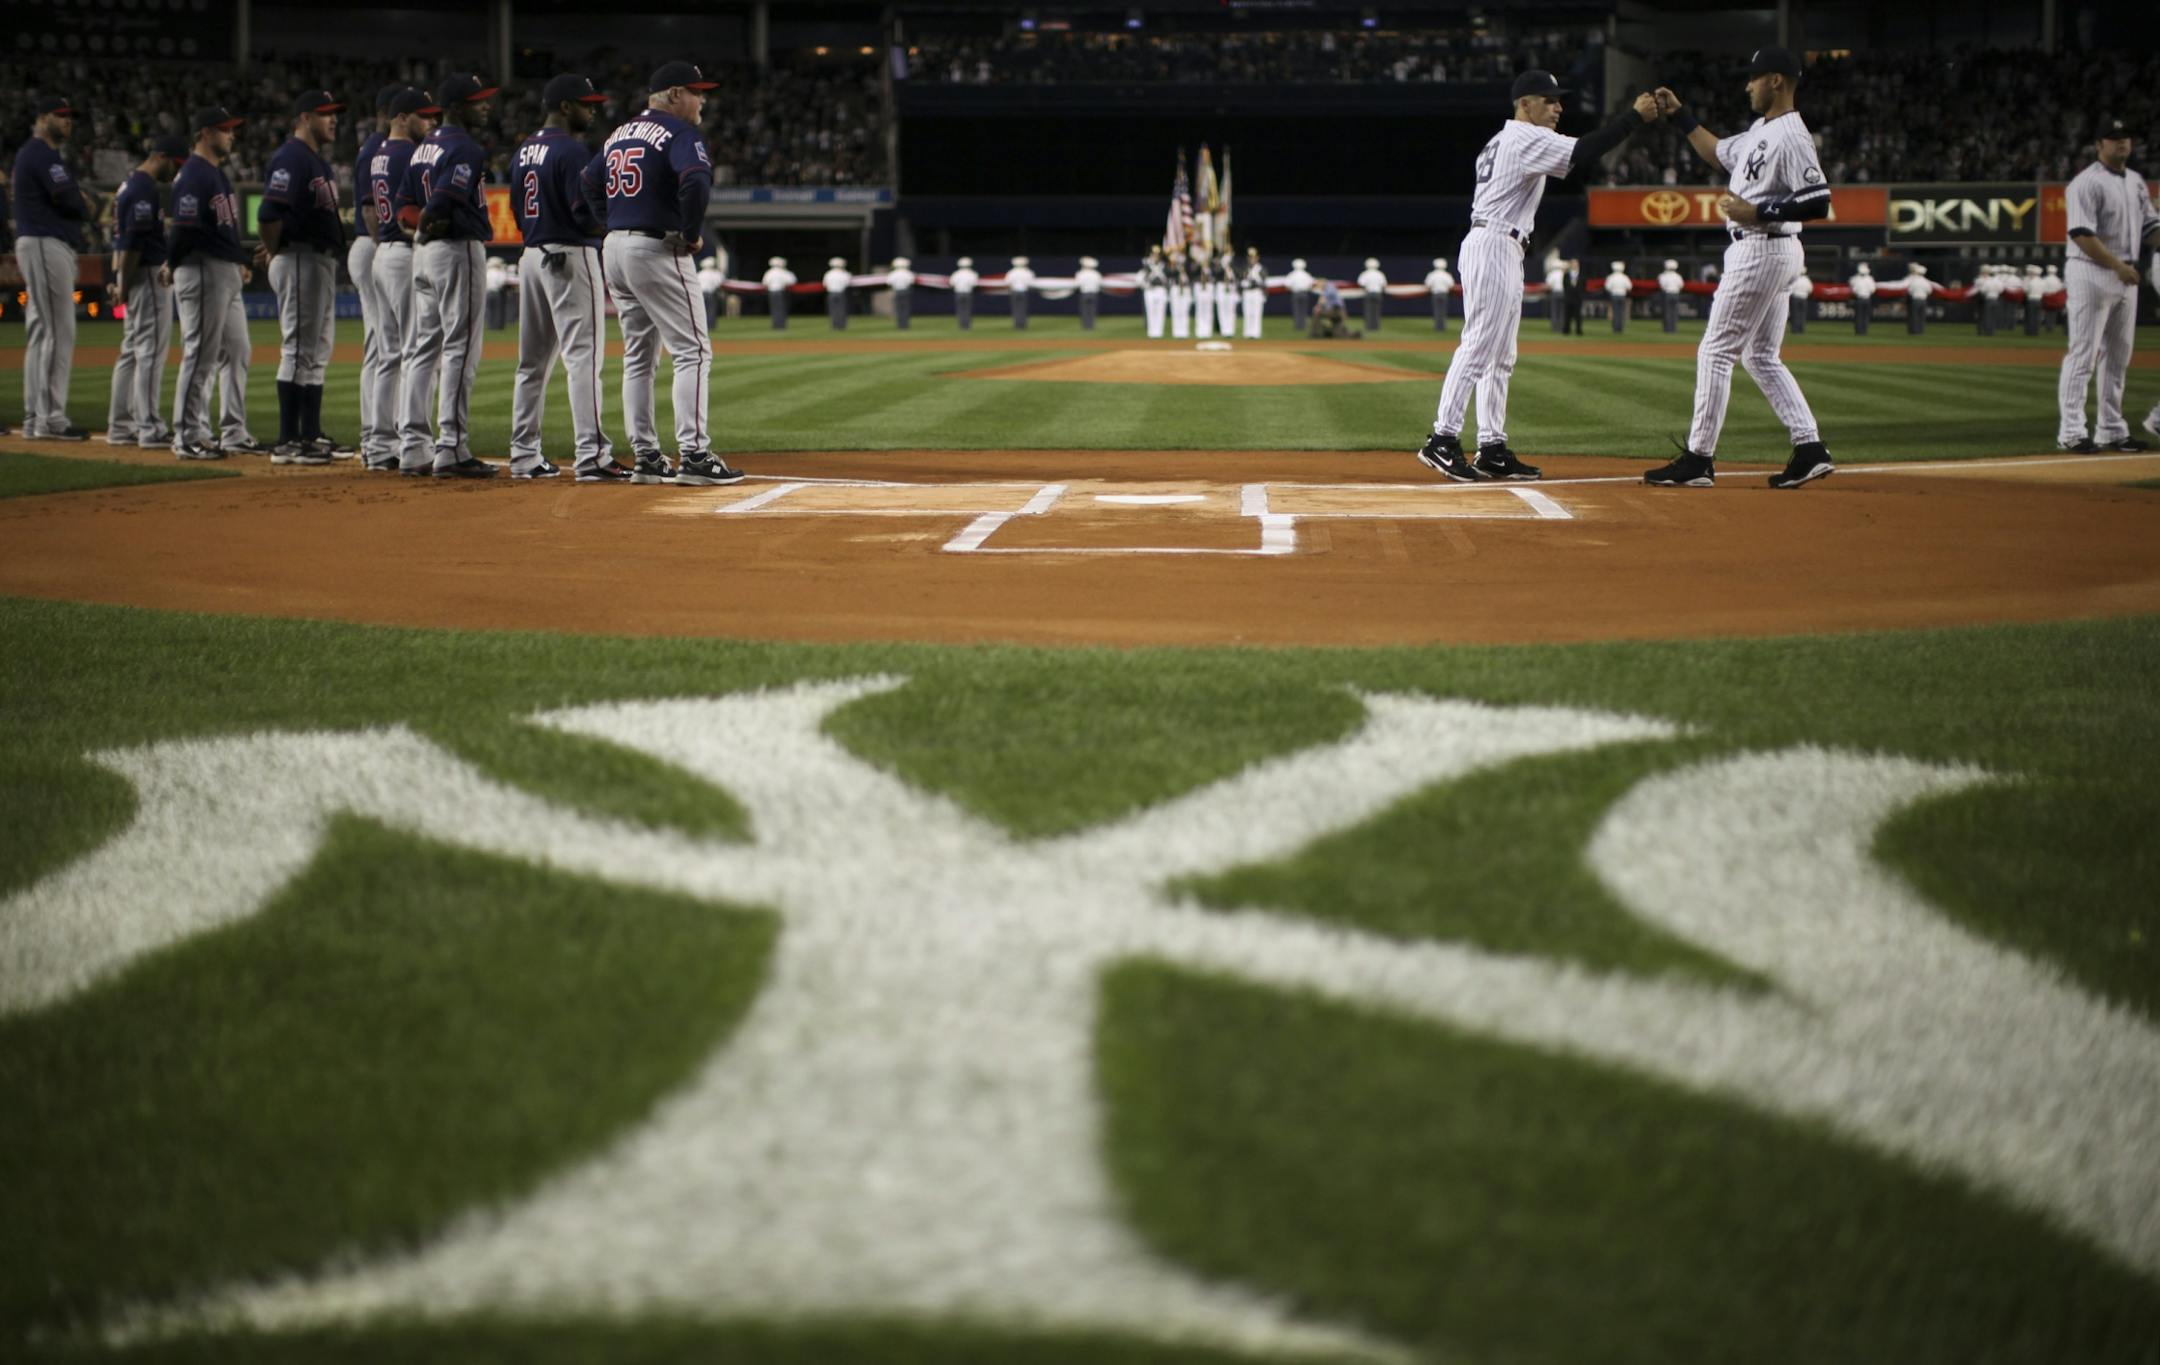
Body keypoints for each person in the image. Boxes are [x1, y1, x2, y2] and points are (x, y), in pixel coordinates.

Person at [1416, 71, 1658, 483]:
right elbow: (1584, 151)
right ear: (1525, 104)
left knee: (1501, 355)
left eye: (1559, 100)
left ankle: (1491, 447)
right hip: (1494, 242)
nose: (1559, 107)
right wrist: (1632, 117)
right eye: (1549, 100)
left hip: (1503, 244)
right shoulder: (1523, 137)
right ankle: (1442, 438)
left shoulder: (1502, 139)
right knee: (1479, 345)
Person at [1641, 52, 1835, 491]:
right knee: (1761, 356)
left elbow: (1818, 200)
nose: (1748, 85)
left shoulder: (1792, 133)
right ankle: (1809, 448)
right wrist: (1681, 115)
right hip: (1772, 250)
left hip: (1761, 247)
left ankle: (1698, 458)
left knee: (1716, 352)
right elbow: (1717, 153)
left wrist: (1758, 211)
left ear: (1776, 81)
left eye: (1754, 78)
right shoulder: (1761, 130)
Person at [581, 61, 742, 486]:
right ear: (674, 94)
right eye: (696, 91)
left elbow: (589, 181)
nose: (702, 99)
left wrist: (610, 221)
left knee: (638, 356)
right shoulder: (679, 132)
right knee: (693, 351)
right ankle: (695, 455)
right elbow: (696, 180)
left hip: (616, 247)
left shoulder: (619, 132)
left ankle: (647, 456)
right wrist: (690, 233)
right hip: (657, 246)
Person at [509, 72, 620, 482]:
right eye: (586, 105)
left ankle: (524, 455)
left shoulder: (523, 150)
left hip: (531, 255)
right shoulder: (572, 151)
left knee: (531, 363)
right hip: (570, 255)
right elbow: (584, 213)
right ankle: (593, 455)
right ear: (565, 106)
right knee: (583, 359)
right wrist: (610, 226)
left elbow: (517, 211)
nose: (593, 111)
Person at [397, 71, 498, 479]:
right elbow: (443, 200)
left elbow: (403, 204)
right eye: (478, 101)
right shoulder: (465, 147)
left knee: (424, 349)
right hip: (457, 250)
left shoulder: (423, 147)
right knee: (461, 348)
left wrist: (418, 227)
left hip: (423, 256)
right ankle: (452, 448)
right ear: (457, 107)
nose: (486, 106)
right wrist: (427, 223)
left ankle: (412, 448)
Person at [2057, 117, 2159, 453]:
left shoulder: (2136, 181)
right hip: (2091, 271)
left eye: (2125, 136)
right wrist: (2117, 266)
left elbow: (2151, 228)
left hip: (2125, 274)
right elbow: (2081, 234)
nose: (2122, 142)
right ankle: (2072, 432)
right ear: (2099, 145)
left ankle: (2111, 430)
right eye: (2113, 137)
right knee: (2083, 354)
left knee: (2118, 357)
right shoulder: (2086, 183)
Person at [259, 89, 350, 463]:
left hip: (317, 260)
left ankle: (310, 434)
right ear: (304, 117)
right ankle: (287, 440)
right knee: (298, 349)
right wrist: (275, 249)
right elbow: (268, 212)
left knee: (316, 350)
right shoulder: (292, 157)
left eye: (335, 113)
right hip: (299, 256)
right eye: (325, 113)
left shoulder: (315, 160)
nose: (333, 119)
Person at [166, 105, 252, 461]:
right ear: (204, 133)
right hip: (202, 269)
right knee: (200, 353)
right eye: (224, 129)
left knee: (237, 350)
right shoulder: (193, 174)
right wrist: (172, 263)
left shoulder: (214, 173)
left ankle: (233, 432)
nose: (231, 135)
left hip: (223, 269)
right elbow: (184, 229)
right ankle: (187, 434)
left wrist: (238, 260)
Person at [361, 87, 437, 472]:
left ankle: (379, 445)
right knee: (414, 350)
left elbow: (370, 211)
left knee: (388, 354)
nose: (431, 122)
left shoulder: (379, 152)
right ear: (402, 118)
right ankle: (413, 443)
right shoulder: (409, 153)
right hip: (404, 253)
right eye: (424, 116)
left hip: (383, 253)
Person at [14, 94, 91, 440]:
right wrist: (83, 202)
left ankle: (36, 417)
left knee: (42, 331)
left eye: (69, 115)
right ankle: (50, 420)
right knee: (58, 331)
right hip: (45, 242)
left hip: (40, 242)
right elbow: (71, 200)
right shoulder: (41, 154)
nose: (67, 121)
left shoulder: (38, 154)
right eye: (60, 115)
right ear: (42, 118)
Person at [105, 133, 186, 449]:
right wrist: (124, 284)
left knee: (131, 350)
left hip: (134, 275)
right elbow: (132, 243)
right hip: (147, 276)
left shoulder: (128, 185)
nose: (176, 171)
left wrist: (119, 280)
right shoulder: (143, 189)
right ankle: (149, 427)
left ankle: (119, 425)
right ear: (161, 157)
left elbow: (122, 241)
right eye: (175, 164)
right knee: (150, 352)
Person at [1139, 246, 1168, 337]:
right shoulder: (1146, 265)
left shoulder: (1163, 265)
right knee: (1150, 311)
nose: (1155, 256)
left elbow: (1167, 278)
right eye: (1154, 254)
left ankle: (1159, 332)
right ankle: (1151, 332)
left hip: (1161, 290)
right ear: (1151, 255)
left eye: (1157, 255)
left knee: (1160, 311)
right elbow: (1140, 278)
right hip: (1150, 290)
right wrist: (1146, 285)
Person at [1240, 246, 1265, 339]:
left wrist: (1255, 278)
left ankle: (1256, 333)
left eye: (1254, 257)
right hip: (1247, 292)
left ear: (1257, 258)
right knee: (1247, 312)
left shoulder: (1260, 268)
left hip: (1256, 292)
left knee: (1256, 312)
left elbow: (1263, 280)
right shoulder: (1245, 268)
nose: (1252, 259)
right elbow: (1241, 279)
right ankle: (1247, 333)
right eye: (1250, 257)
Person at [761, 256, 794, 328]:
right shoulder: (783, 272)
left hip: (771, 292)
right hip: (781, 292)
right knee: (781, 308)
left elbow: (765, 283)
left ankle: (776, 324)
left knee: (774, 308)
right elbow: (792, 281)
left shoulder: (769, 272)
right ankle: (781, 324)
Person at [1424, 255, 1454, 332]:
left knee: (1437, 310)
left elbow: (1427, 285)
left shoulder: (1432, 274)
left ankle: (1437, 327)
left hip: (1436, 294)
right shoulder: (1447, 275)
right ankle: (1442, 327)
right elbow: (1451, 285)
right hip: (1444, 294)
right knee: (1443, 311)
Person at [1356, 257, 1386, 331]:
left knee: (1368, 310)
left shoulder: (1365, 273)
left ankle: (1369, 327)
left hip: (1369, 293)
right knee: (1377, 311)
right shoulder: (1380, 274)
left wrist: (1366, 288)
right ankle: (1376, 327)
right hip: (1378, 293)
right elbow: (1383, 285)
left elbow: (1360, 283)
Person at [1284, 256, 1313, 331]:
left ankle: (1297, 326)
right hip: (1304, 293)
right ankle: (1303, 326)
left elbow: (1286, 285)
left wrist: (1293, 289)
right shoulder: (1306, 274)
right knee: (1304, 310)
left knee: (1296, 310)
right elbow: (1311, 284)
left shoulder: (1292, 274)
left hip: (1295, 294)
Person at [1191, 246, 1215, 339]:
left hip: (1209, 287)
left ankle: (1207, 331)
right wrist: (1199, 264)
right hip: (1199, 287)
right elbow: (1192, 271)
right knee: (1200, 309)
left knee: (1208, 310)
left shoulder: (1211, 266)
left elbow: (1216, 275)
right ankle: (1200, 331)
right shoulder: (1196, 266)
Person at [697, 256, 726, 330]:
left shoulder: (700, 274)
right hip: (711, 294)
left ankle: (702, 326)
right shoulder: (716, 274)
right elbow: (720, 283)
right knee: (711, 310)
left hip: (700, 294)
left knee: (701, 311)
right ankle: (710, 326)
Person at [1656, 257, 1684, 333]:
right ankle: (1674, 329)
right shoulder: (1678, 276)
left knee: (1667, 312)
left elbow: (1662, 285)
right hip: (1676, 294)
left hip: (1667, 294)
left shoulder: (1663, 276)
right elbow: (1681, 285)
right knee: (1674, 312)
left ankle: (1668, 329)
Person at [1006, 255, 1035, 328]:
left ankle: (1017, 324)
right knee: (1023, 308)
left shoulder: (1011, 272)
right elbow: (1031, 282)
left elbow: (1007, 282)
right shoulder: (1028, 272)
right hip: (1023, 291)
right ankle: (1022, 324)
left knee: (1016, 308)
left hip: (1015, 291)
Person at [823, 256, 852, 329]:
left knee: (833, 310)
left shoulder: (828, 274)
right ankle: (841, 325)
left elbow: (825, 284)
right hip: (841, 293)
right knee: (842, 309)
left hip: (831, 293)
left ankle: (834, 325)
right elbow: (848, 283)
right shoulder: (845, 274)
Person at [1215, 248, 1238, 335]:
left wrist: (1230, 266)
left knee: (1231, 309)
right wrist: (1223, 265)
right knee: (1222, 309)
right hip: (1222, 286)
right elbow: (1216, 273)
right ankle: (1224, 330)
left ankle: (1230, 330)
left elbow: (1237, 275)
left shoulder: (1233, 265)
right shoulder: (1219, 264)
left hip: (1231, 286)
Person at [950, 255, 978, 328]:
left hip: (958, 293)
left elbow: (951, 283)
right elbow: (974, 284)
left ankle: (961, 325)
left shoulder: (956, 273)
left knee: (960, 309)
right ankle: (967, 325)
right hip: (968, 293)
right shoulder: (972, 273)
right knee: (967, 309)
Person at [1075, 255, 1102, 330]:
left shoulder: (1080, 273)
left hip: (1084, 293)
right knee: (1092, 310)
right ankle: (1091, 326)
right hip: (1094, 293)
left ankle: (1086, 326)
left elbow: (1077, 284)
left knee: (1084, 310)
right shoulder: (1096, 273)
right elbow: (1100, 283)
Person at [1604, 259, 1632, 332]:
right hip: (1622, 295)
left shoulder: (1611, 277)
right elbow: (1629, 287)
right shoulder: (1624, 277)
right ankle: (1620, 328)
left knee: (1615, 312)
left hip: (1614, 295)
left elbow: (1607, 287)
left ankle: (1615, 328)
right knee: (1621, 312)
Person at [888, 255, 915, 329]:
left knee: (898, 309)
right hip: (906, 291)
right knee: (905, 309)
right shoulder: (908, 273)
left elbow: (889, 283)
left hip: (897, 292)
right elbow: (911, 282)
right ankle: (905, 325)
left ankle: (900, 325)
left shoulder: (893, 273)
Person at [1904, 262, 1931, 334]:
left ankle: (1914, 331)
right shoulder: (1926, 281)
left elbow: (1910, 290)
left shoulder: (1913, 280)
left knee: (1914, 316)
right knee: (1922, 317)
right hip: (1923, 300)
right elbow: (1929, 291)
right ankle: (1921, 331)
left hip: (1915, 300)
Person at [1848, 261, 1875, 334]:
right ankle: (1864, 331)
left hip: (1859, 299)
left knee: (1858, 316)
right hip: (1867, 299)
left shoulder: (1855, 279)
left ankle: (1859, 331)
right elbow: (1873, 290)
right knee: (1865, 316)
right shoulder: (1870, 279)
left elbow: (1853, 289)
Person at [1562, 258, 1586, 335]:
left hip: (1578, 298)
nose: (1574, 265)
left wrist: (1580, 294)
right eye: (1573, 264)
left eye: (1575, 264)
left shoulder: (1582, 275)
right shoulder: (1566, 275)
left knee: (1578, 315)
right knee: (1567, 315)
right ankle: (1566, 330)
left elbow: (1584, 286)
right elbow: (1564, 286)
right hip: (1568, 297)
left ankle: (1579, 330)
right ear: (1570, 265)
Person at [2038, 262, 2063, 333]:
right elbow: (2060, 288)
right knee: (2053, 313)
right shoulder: (2057, 279)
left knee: (2047, 313)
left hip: (2046, 297)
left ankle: (2047, 326)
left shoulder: (2045, 279)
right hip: (2054, 297)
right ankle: (2051, 326)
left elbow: (2042, 288)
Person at [2021, 264, 2045, 336]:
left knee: (2030, 316)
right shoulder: (2042, 281)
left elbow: (2026, 290)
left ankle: (2030, 331)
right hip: (2039, 300)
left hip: (2031, 299)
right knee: (2037, 316)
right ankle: (2035, 331)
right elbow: (2044, 291)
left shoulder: (2031, 282)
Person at [1545, 254, 1567, 332]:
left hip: (1555, 293)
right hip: (1563, 293)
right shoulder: (1563, 273)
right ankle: (1561, 328)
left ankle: (1555, 328)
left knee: (1554, 311)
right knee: (1562, 311)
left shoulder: (1552, 273)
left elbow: (1548, 285)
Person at [1787, 268, 1811, 333]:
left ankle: (1795, 329)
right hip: (1804, 298)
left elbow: (1791, 288)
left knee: (1795, 314)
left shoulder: (1795, 279)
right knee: (1802, 314)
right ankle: (1801, 329)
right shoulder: (1807, 280)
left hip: (1795, 297)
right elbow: (1810, 289)